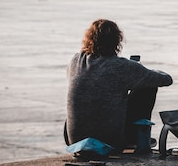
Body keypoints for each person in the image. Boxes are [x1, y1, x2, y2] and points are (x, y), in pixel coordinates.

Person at [65, 19, 172, 151]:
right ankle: (133, 137)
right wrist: (140, 70)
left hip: (74, 140)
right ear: (117, 41)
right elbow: (166, 79)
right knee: (148, 87)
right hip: (109, 140)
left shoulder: (75, 60)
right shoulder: (121, 66)